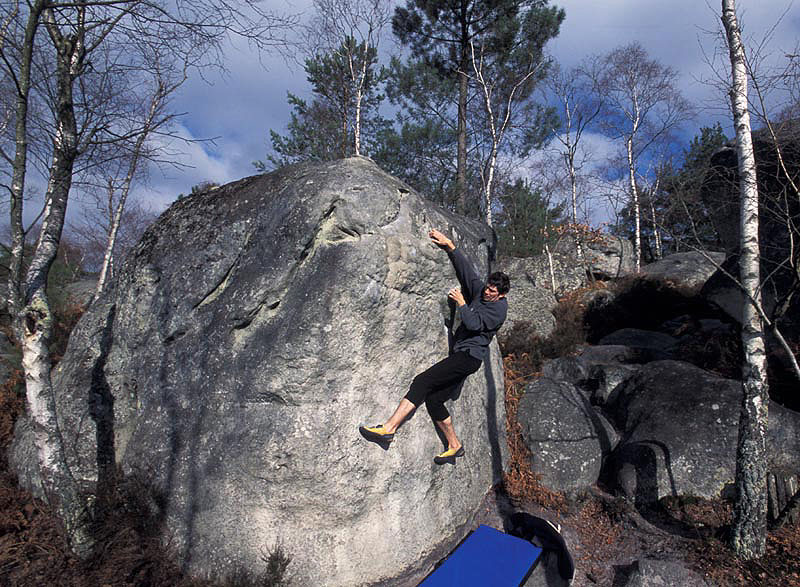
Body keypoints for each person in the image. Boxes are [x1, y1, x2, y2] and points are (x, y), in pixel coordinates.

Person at [359, 228, 510, 464]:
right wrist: (450, 245)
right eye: (488, 288)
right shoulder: (482, 292)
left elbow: (473, 324)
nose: (487, 292)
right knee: (435, 400)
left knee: (422, 381)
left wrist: (461, 303)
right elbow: (467, 273)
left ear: (501, 295)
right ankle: (454, 445)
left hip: (469, 357)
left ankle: (388, 428)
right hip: (461, 354)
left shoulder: (499, 310)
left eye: (492, 291)